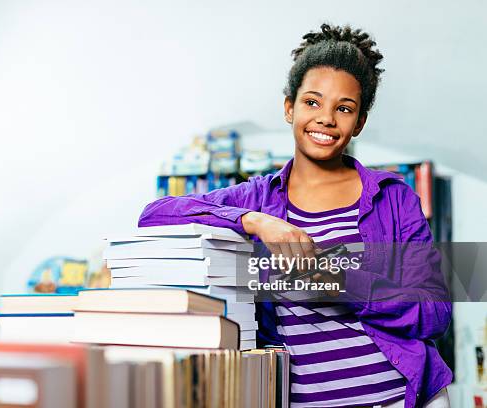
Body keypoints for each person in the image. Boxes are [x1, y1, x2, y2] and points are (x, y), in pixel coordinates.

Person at [138, 23, 452, 408]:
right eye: (312, 102)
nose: (326, 119)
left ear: (360, 122)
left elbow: (435, 313)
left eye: (344, 108)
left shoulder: (394, 198)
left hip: (400, 398)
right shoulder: (254, 198)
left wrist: (341, 280)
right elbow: (154, 215)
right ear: (290, 108)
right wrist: (252, 222)